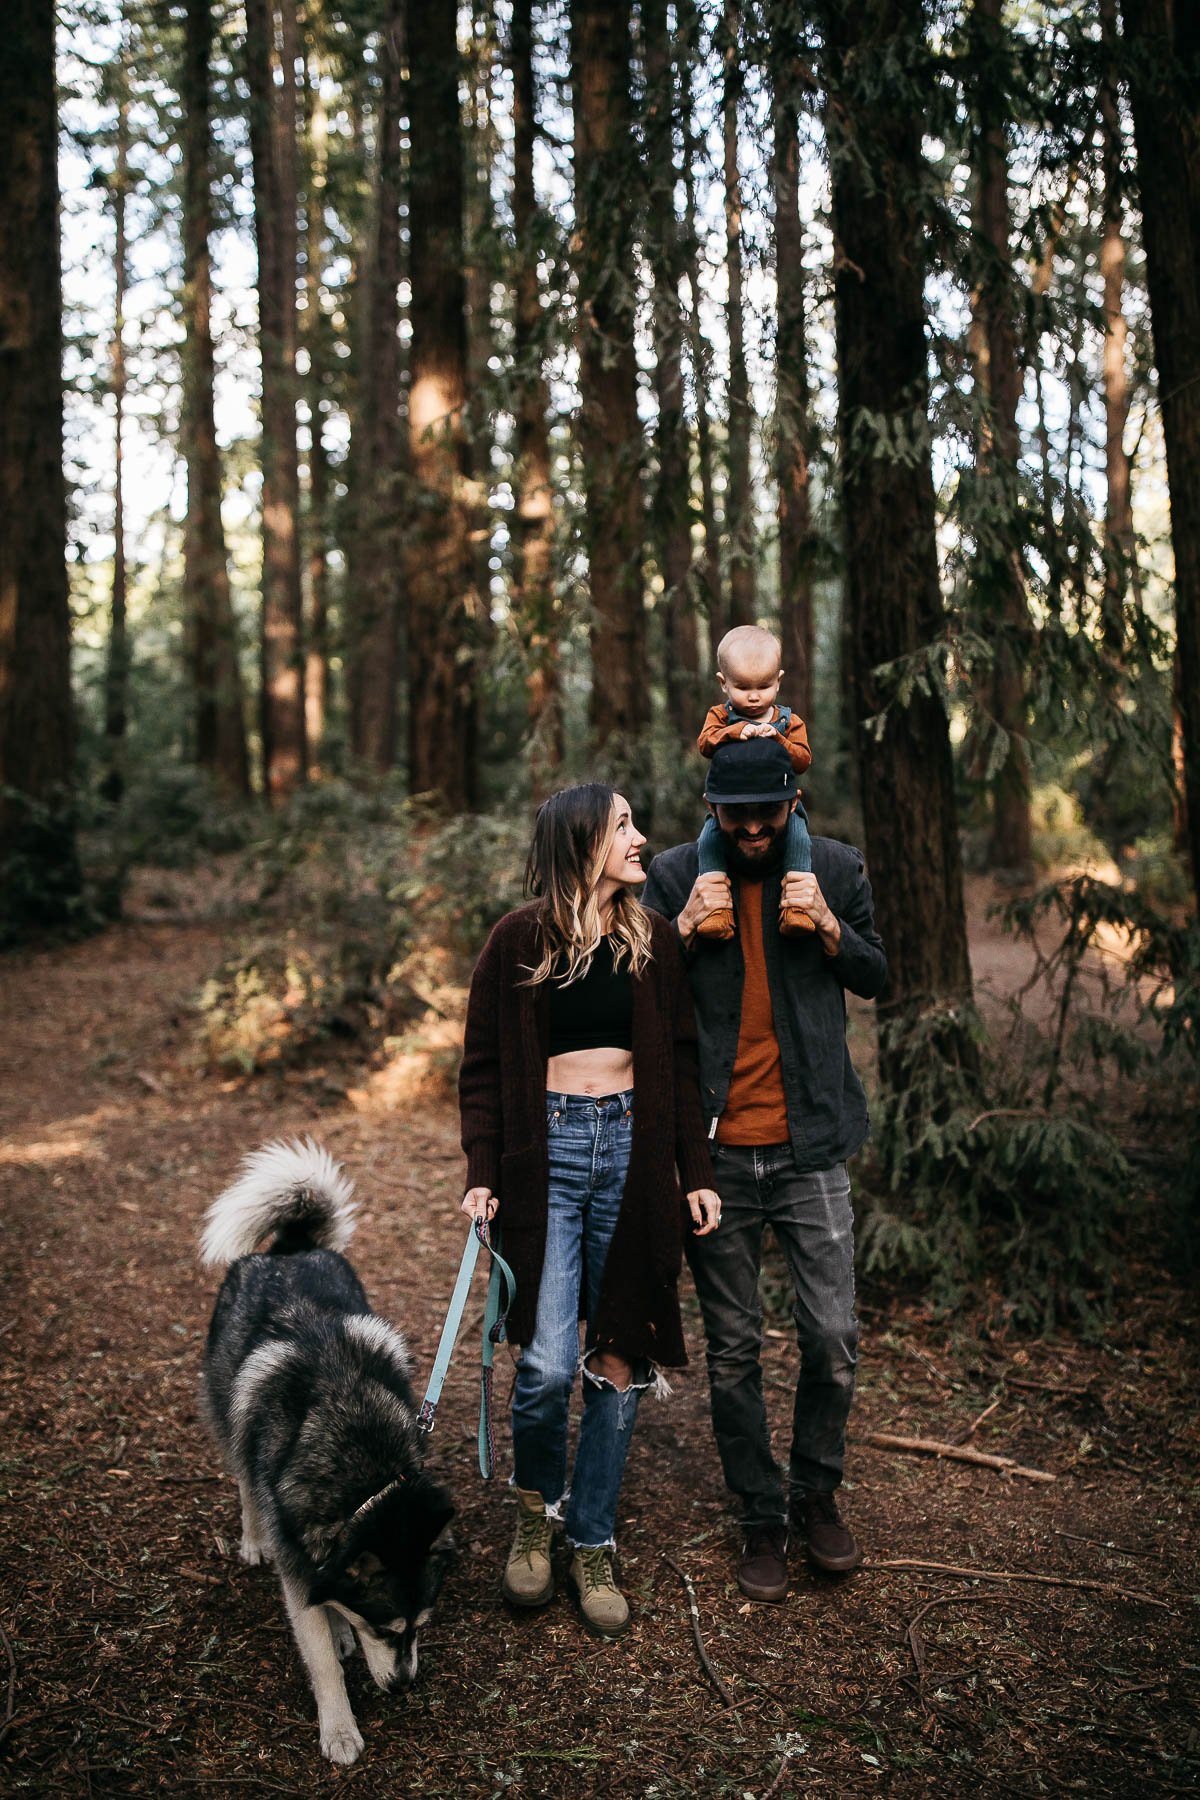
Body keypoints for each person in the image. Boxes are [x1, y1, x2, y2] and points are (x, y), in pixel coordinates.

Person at [458, 783, 720, 1639]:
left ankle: (594, 1538)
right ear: (582, 845)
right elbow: (486, 1070)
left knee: (619, 1353)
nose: (643, 840)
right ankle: (537, 1515)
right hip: (551, 1158)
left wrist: (695, 1172)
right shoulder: (515, 941)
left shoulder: (653, 942)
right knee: (542, 1364)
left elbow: (681, 1066)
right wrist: (483, 1170)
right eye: (624, 828)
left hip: (635, 1156)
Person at [641, 736, 887, 1603]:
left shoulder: (834, 866)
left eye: (767, 811)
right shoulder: (671, 876)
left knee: (833, 1339)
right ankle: (758, 1514)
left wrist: (826, 924)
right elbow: (635, 997)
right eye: (734, 813)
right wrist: (675, 933)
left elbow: (878, 973)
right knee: (734, 1348)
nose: (751, 827)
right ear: (711, 807)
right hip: (714, 1157)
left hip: (810, 1144)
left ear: (791, 803)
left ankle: (816, 1492)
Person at [696, 625, 814, 940]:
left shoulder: (789, 721)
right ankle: (716, 910)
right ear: (723, 683)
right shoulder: (720, 716)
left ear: (779, 680)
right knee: (708, 841)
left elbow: (802, 760)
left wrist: (780, 740)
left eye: (763, 686)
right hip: (728, 801)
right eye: (742, 687)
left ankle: (796, 907)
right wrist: (734, 732)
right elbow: (705, 744)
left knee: (800, 838)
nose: (753, 697)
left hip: (779, 798)